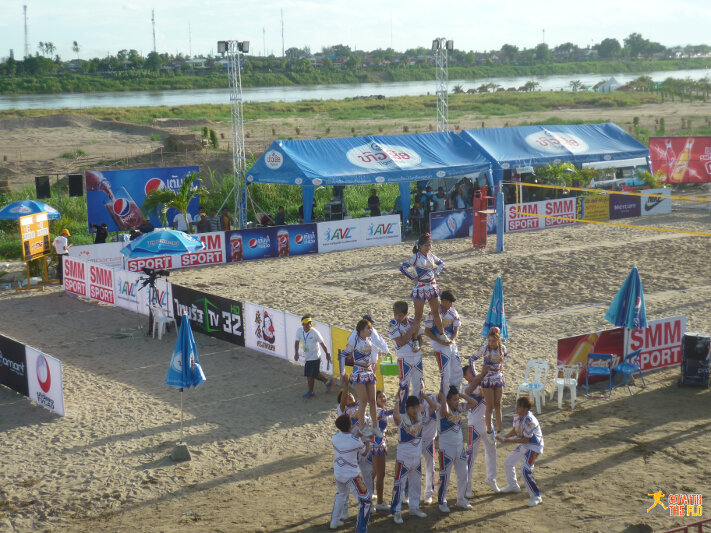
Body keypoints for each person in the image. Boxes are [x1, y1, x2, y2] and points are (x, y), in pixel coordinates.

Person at [390, 382, 437, 524]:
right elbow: (395, 415)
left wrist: (423, 395)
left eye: (417, 407)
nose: (415, 410)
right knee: (399, 484)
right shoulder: (402, 419)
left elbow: (434, 407)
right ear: (407, 408)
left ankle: (414, 507)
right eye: (413, 408)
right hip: (403, 458)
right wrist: (398, 400)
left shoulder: (421, 416)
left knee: (416, 483)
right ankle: (396, 511)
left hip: (416, 458)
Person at [399, 233, 447, 345]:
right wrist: (412, 277)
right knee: (418, 315)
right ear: (420, 246)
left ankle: (441, 334)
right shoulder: (415, 257)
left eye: (430, 245)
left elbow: (442, 263)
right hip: (420, 287)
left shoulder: (431, 256)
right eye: (426, 245)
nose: (428, 248)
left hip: (432, 286)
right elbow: (403, 267)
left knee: (436, 312)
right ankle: (415, 339)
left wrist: (437, 273)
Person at [496, 396, 544, 507]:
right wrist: (504, 436)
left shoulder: (529, 421)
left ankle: (536, 496)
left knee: (525, 469)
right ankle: (513, 486)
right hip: (526, 445)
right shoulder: (518, 416)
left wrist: (507, 440)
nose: (516, 408)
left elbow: (526, 439)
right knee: (508, 462)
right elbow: (515, 430)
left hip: (534, 447)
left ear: (525, 409)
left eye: (518, 406)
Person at [437, 384, 478, 513]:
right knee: (445, 477)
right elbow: (446, 412)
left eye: (457, 400)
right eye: (454, 400)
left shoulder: (459, 408)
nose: (457, 402)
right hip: (446, 449)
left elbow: (474, 402)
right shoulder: (441, 410)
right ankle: (442, 501)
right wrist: (443, 399)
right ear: (448, 400)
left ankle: (461, 499)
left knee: (463, 474)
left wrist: (459, 395)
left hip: (459, 447)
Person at [330, 414, 372, 531]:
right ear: (350, 425)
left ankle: (334, 521)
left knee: (341, 495)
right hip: (352, 475)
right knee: (365, 501)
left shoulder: (335, 437)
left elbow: (347, 441)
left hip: (338, 473)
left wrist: (357, 436)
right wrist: (368, 440)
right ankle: (361, 529)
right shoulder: (356, 440)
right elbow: (364, 452)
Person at [463, 365, 500, 497]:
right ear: (466, 377)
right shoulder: (465, 388)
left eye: (475, 371)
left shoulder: (485, 382)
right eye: (470, 373)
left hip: (488, 424)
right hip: (474, 426)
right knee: (471, 457)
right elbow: (475, 395)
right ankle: (467, 487)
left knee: (492, 451)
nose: (474, 373)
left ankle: (491, 478)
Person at [341, 319, 380, 438]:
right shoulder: (354, 341)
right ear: (361, 330)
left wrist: (374, 363)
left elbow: (374, 352)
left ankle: (375, 426)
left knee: (373, 401)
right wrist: (342, 373)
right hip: (358, 371)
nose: (371, 330)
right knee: (363, 401)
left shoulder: (370, 340)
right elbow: (343, 354)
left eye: (371, 328)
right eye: (368, 328)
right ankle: (362, 428)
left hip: (369, 371)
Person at [470, 327, 507, 445]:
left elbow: (503, 364)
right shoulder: (485, 349)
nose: (491, 343)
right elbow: (472, 359)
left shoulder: (503, 349)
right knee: (489, 406)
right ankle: (490, 431)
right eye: (489, 341)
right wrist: (477, 374)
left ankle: (500, 431)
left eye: (493, 341)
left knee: (498, 404)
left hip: (498, 378)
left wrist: (501, 371)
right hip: (487, 379)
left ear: (498, 340)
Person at [424, 290, 463, 391]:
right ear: (444, 301)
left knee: (457, 370)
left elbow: (456, 330)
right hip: (439, 345)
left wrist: (453, 339)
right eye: (450, 302)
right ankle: (445, 396)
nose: (451, 304)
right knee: (446, 372)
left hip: (451, 343)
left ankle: (455, 394)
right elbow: (427, 331)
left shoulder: (453, 312)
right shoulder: (433, 313)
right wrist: (439, 341)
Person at [387, 301, 423, 398]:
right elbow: (401, 342)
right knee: (404, 385)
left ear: (406, 314)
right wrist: (412, 330)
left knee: (418, 385)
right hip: (404, 358)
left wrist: (418, 346)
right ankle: (402, 409)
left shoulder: (412, 321)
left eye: (400, 315)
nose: (397, 317)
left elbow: (420, 339)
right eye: (395, 315)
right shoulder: (392, 324)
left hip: (417, 357)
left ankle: (416, 408)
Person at [294, 315, 333, 398]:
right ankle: (328, 382)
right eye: (307, 323)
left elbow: (322, 344)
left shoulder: (315, 332)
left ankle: (311, 392)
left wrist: (327, 354)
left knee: (310, 375)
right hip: (308, 356)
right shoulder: (299, 331)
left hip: (315, 356)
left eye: (310, 322)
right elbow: (297, 342)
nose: (309, 324)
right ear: (303, 324)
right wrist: (296, 353)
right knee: (315, 374)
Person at [372, 390, 393, 511]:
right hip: (378, 443)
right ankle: (379, 501)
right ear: (375, 399)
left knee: (374, 472)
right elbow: (388, 413)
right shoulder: (378, 410)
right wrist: (398, 403)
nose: (383, 398)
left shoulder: (377, 409)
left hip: (375, 442)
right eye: (380, 397)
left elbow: (391, 418)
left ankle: (369, 495)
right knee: (381, 474)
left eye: (384, 396)